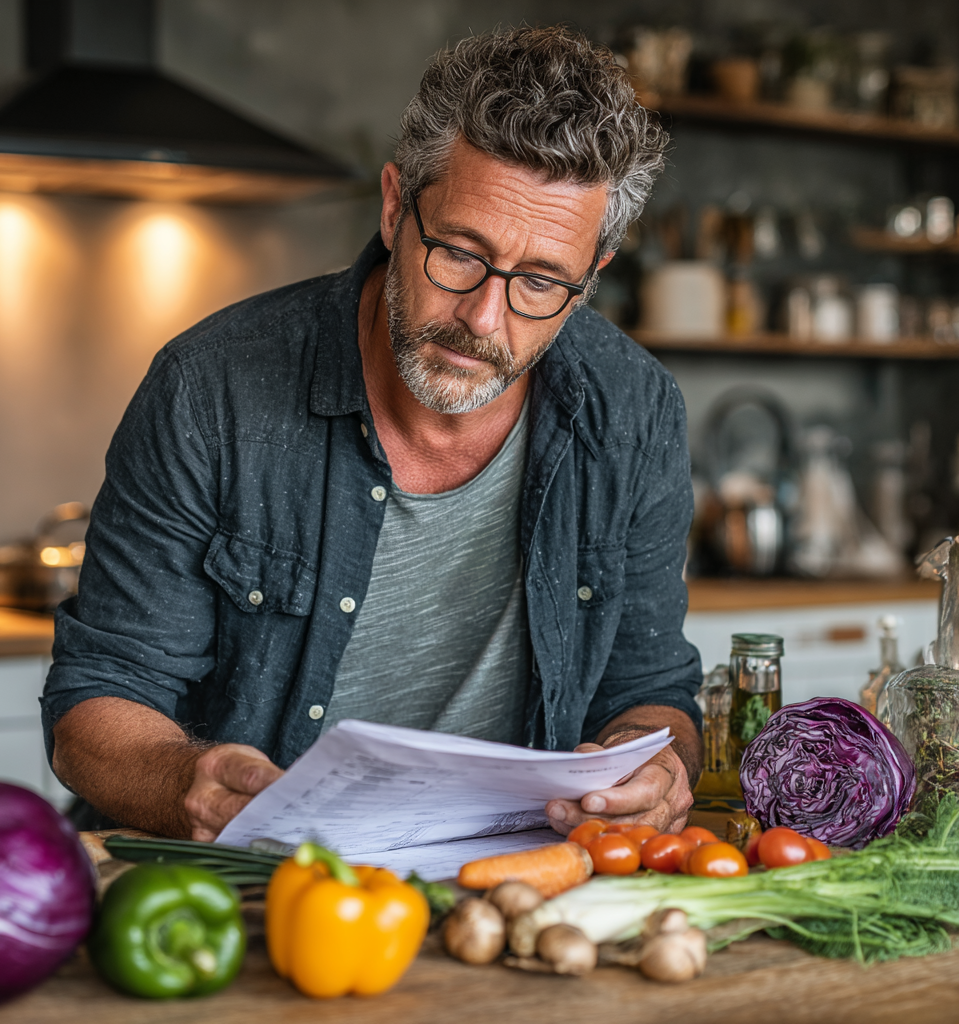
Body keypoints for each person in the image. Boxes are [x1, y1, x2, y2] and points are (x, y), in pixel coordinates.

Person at [43, 25, 703, 843]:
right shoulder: (209, 389)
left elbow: (650, 687)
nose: (483, 319)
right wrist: (189, 784)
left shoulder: (634, 411)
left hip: (504, 883)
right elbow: (99, 697)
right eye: (459, 254)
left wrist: (656, 769)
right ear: (396, 207)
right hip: (228, 883)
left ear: (592, 275)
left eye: (540, 281)